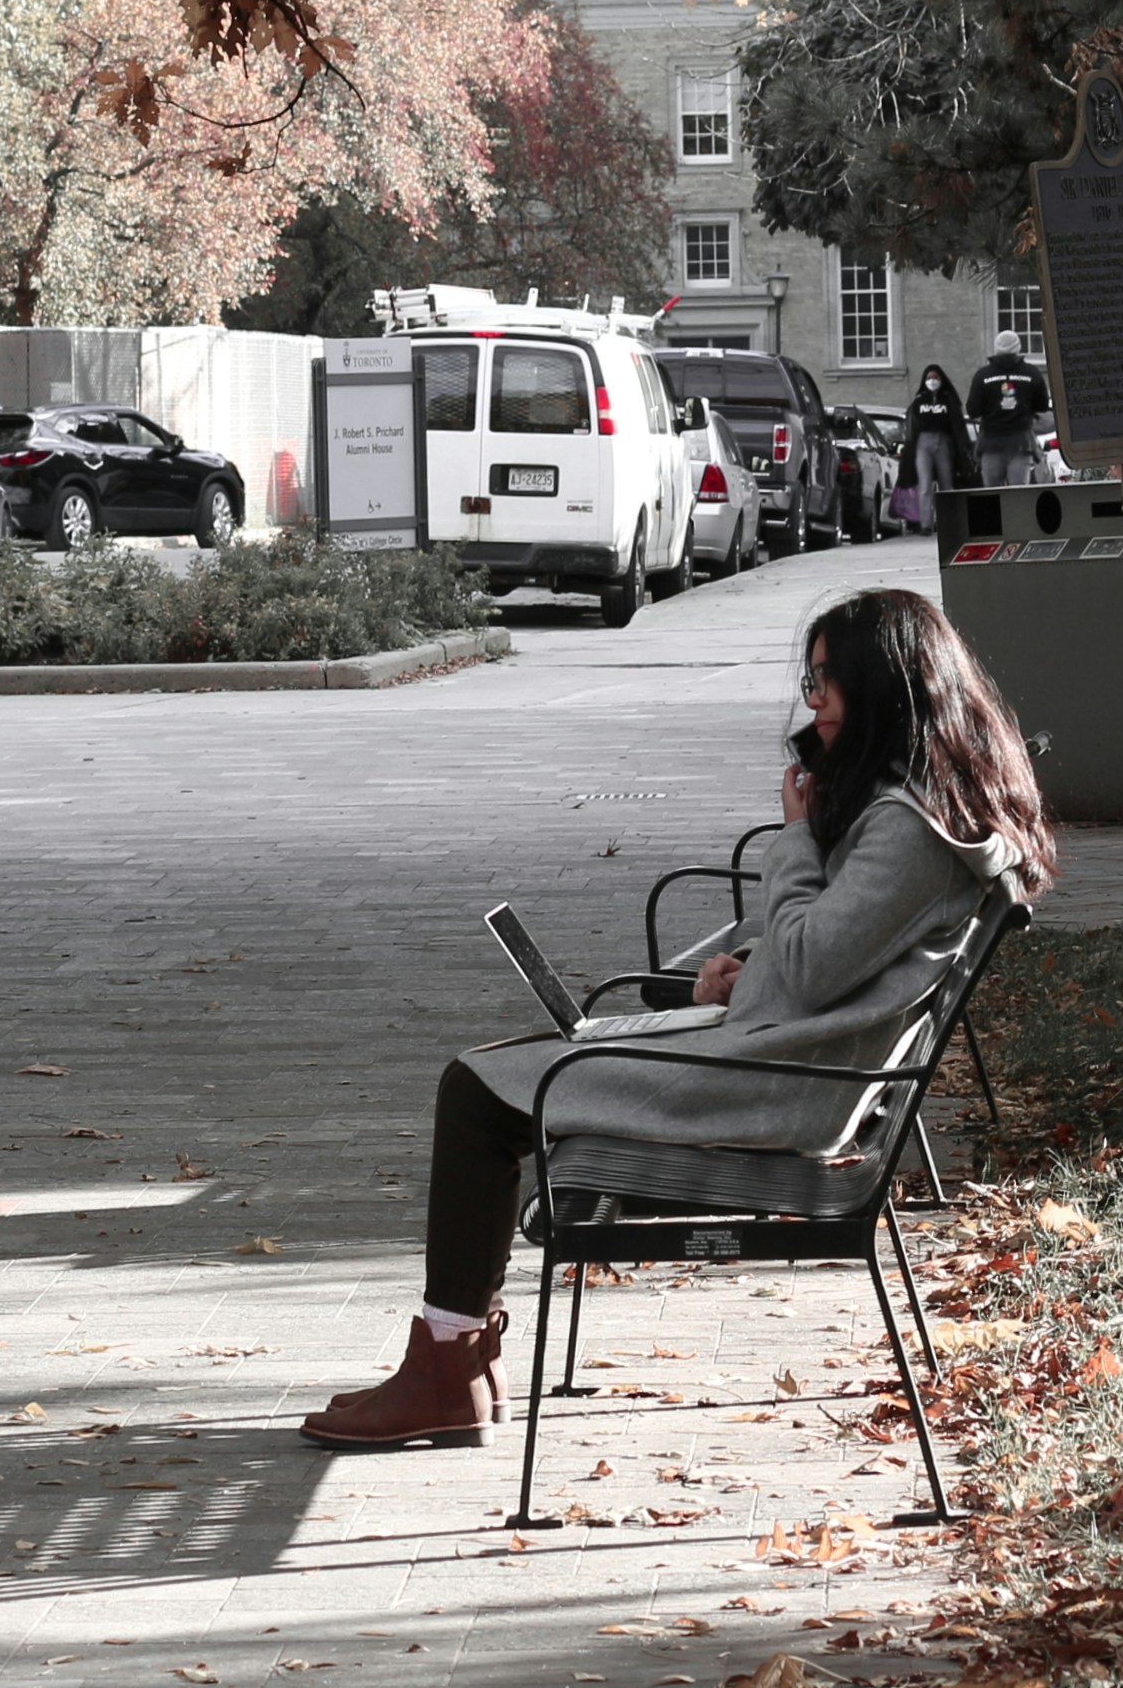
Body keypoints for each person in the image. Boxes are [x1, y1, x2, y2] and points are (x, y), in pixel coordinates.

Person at [300, 589, 1057, 1447]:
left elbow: (811, 965)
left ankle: (448, 1371)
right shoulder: (925, 808)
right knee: (509, 1071)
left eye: (822, 686)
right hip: (785, 1060)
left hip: (782, 1089)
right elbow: (825, 961)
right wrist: (749, 972)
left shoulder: (910, 829)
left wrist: (798, 836)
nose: (812, 710)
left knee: (478, 1093)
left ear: (880, 688)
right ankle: (451, 1365)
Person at [968, 333, 1050, 486]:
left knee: (993, 496)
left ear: (997, 347)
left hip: (990, 443)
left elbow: (972, 410)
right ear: (1018, 347)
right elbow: (1043, 405)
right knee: (1018, 495)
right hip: (1021, 442)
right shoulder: (1031, 373)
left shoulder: (983, 375)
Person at [903, 363, 973, 512]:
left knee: (946, 481)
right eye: (929, 378)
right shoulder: (919, 400)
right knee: (925, 483)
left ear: (941, 379)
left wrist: (963, 447)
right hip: (923, 442)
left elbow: (958, 425)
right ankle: (926, 523)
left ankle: (949, 517)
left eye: (935, 377)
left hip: (944, 442)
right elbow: (911, 425)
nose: (932, 381)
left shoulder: (948, 400)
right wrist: (909, 446)